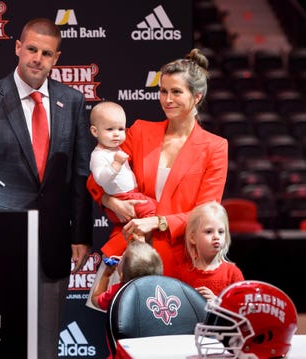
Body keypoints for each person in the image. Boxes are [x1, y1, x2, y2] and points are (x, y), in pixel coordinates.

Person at [0, 18, 93, 359]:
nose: (37, 59)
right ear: (18, 48)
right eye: (31, 49)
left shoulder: (73, 101)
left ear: (56, 58)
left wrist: (81, 235)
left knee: (45, 348)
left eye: (46, 53)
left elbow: (80, 174)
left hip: (54, 242)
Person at [86, 48, 228, 279]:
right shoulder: (140, 131)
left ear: (197, 96)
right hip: (130, 249)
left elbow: (206, 213)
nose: (167, 99)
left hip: (182, 257)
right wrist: (108, 200)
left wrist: (158, 222)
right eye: (163, 91)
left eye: (176, 92)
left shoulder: (215, 146)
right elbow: (97, 176)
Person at [89, 100, 157, 231]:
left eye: (121, 129)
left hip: (131, 195)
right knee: (155, 211)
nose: (116, 133)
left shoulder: (116, 148)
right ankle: (138, 239)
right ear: (95, 131)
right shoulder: (98, 155)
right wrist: (116, 165)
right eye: (110, 129)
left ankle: (138, 238)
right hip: (124, 197)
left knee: (156, 208)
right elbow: (99, 179)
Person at [177, 201, 244, 301]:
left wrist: (218, 303)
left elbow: (240, 309)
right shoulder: (182, 273)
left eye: (221, 232)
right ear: (193, 238)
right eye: (209, 231)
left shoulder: (233, 273)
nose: (216, 236)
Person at [90, 240, 163, 312]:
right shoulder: (161, 291)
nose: (117, 257)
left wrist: (105, 275)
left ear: (122, 276)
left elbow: (95, 299)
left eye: (122, 257)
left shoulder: (117, 292)